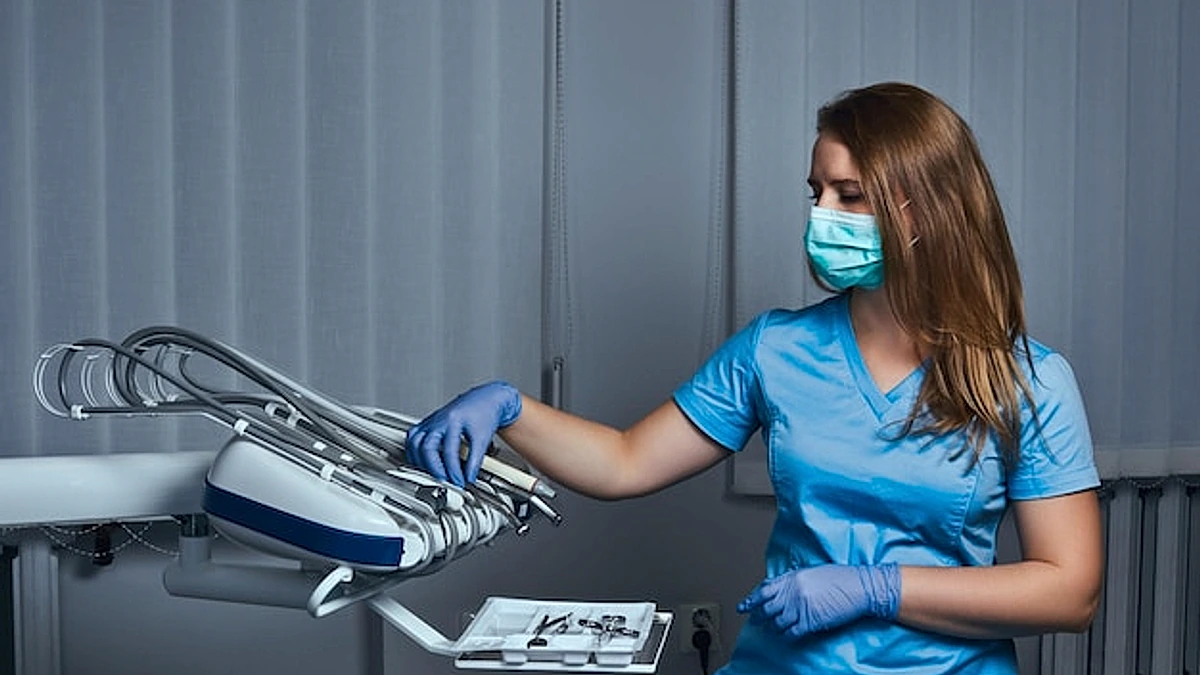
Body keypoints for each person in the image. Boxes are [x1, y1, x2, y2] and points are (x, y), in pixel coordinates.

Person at [403, 82, 1102, 674]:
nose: (820, 215)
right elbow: (624, 461)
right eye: (816, 191)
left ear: (924, 209)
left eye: (849, 195)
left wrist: (876, 588)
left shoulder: (1027, 380)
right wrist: (509, 406)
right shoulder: (777, 349)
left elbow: (1069, 592)